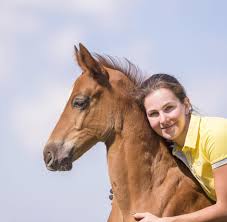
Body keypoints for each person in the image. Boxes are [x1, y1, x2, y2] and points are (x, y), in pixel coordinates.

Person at [133, 74, 227, 222]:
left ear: (186, 104)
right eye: (153, 114)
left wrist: (164, 221)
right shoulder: (177, 149)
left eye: (168, 108)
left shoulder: (216, 133)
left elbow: (225, 208)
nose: (163, 120)